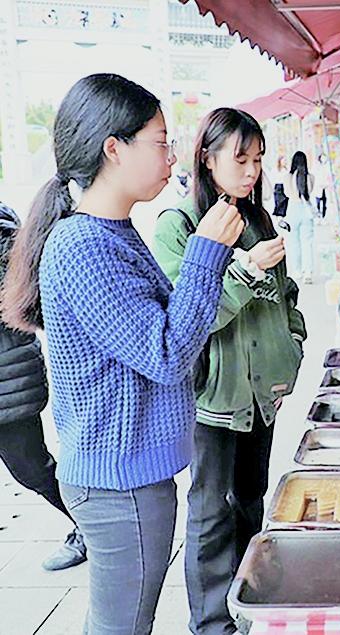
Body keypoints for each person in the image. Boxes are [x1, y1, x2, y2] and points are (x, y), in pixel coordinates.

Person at [0, 73, 243, 635]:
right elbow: (164, 352)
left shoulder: (111, 232)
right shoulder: (84, 245)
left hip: (128, 477)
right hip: (118, 486)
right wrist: (207, 253)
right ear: (114, 147)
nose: (172, 156)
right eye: (161, 141)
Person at [153, 107, 306, 635]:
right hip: (213, 401)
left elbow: (287, 300)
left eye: (258, 160)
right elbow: (186, 319)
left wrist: (293, 350)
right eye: (240, 159)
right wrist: (245, 269)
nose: (251, 172)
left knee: (250, 500)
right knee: (210, 513)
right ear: (207, 158)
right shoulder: (179, 227)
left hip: (263, 395)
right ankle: (213, 623)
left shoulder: (259, 219)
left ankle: (250, 597)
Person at [0, 202, 87, 572]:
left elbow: (17, 293)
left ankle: (91, 528)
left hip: (7, 382)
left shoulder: (3, 228)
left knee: (31, 467)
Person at [285, 150, 316, 283]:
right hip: (306, 209)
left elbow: (287, 193)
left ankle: (297, 271)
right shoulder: (311, 177)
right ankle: (308, 272)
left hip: (293, 209)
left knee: (293, 242)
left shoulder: (288, 177)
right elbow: (310, 191)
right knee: (307, 242)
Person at [312, 153, 329, 219]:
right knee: (318, 202)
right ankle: (319, 215)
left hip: (325, 187)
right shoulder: (317, 167)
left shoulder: (327, 166)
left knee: (324, 202)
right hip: (319, 187)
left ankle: (323, 215)